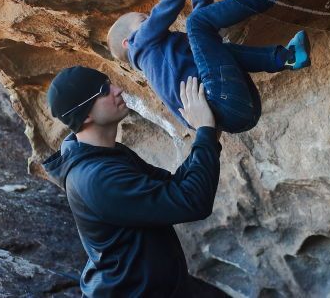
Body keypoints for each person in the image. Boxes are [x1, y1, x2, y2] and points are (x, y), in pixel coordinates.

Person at [43, 66, 226, 297]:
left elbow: (175, 185)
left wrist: (209, 135)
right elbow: (192, 200)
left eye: (110, 83)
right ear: (85, 115)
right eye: (103, 90)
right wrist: (205, 131)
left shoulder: (105, 154)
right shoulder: (98, 178)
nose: (117, 90)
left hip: (159, 286)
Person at [107, 0, 310, 133]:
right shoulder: (139, 43)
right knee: (195, 24)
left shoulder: (164, 62)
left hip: (238, 115)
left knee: (210, 37)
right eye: (144, 20)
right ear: (127, 42)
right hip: (222, 101)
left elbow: (203, 14)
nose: (152, 19)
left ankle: (289, 57)